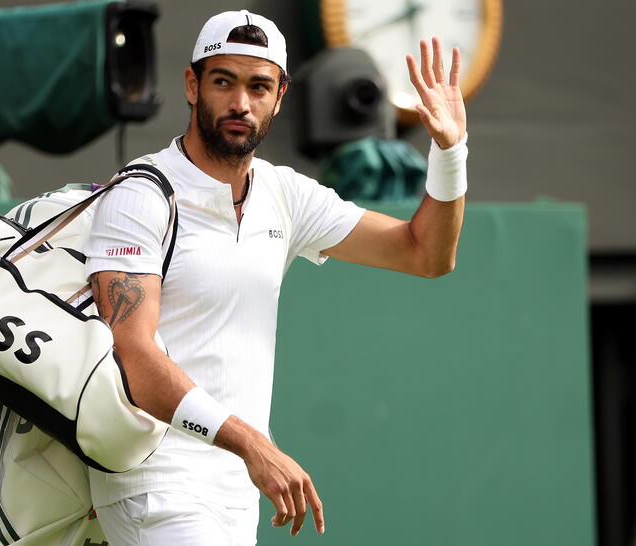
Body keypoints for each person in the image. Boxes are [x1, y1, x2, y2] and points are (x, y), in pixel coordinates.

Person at [84, 9, 468, 545]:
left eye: (258, 86)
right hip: (154, 481)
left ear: (280, 95)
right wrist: (252, 443)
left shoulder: (284, 194)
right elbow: (135, 358)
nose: (241, 103)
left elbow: (425, 253)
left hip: (237, 493)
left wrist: (450, 153)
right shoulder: (139, 194)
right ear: (192, 86)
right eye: (224, 82)